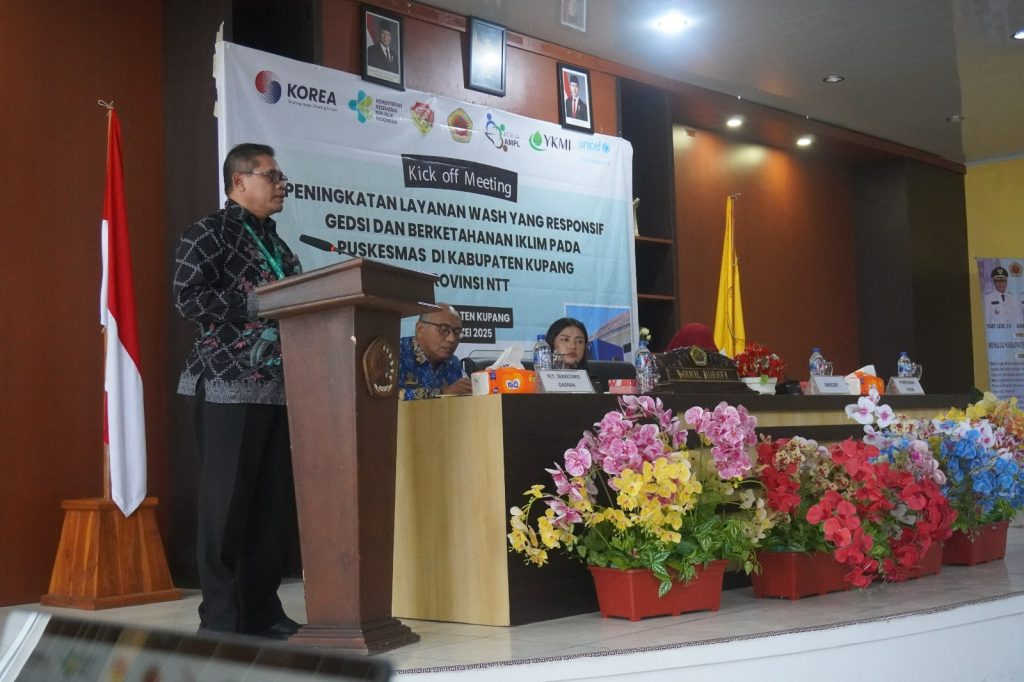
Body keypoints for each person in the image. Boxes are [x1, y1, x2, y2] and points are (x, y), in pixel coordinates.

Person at [173, 143, 302, 639]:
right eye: (272, 175)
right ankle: (221, 622)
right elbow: (188, 298)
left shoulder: (280, 246)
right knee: (225, 511)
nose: (281, 184)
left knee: (269, 511)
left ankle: (262, 613)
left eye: (281, 176)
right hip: (227, 386)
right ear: (239, 181)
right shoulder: (209, 232)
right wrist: (258, 303)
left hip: (280, 390)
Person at [399, 304, 473, 399]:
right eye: (444, 329)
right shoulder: (397, 353)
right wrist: (442, 392)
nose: (452, 339)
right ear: (420, 329)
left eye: (457, 332)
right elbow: (393, 395)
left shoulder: (453, 363)